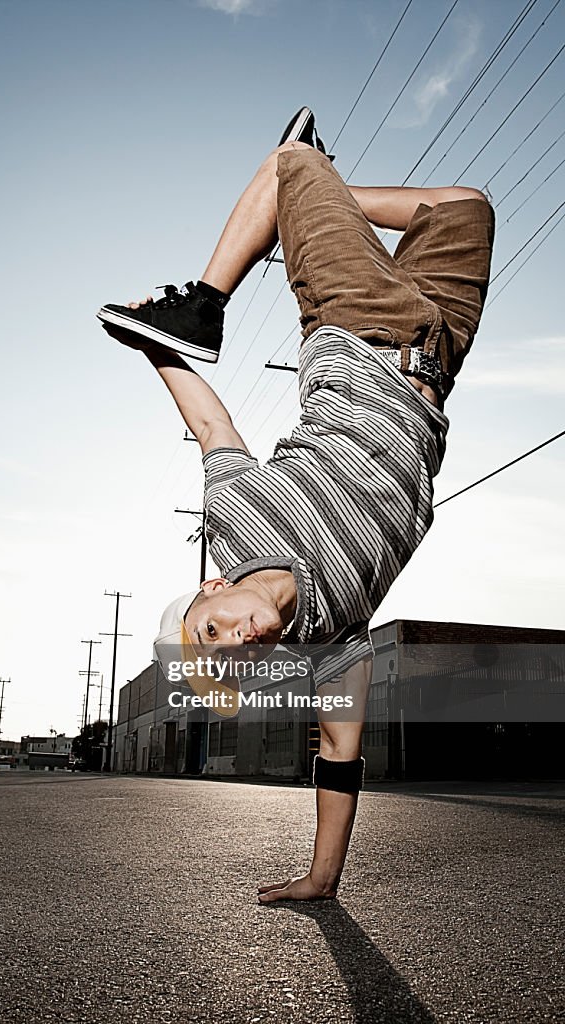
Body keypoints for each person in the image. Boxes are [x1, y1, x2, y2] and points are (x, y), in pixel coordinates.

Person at [97, 108, 495, 903]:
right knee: (465, 207)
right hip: (434, 347)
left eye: (218, 632)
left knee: (288, 164)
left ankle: (201, 303)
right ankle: (321, 194)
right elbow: (338, 759)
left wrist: (156, 345)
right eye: (239, 660)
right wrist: (322, 877)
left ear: (214, 590)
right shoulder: (331, 644)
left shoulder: (235, 518)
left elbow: (213, 425)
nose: (240, 640)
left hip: (357, 324)